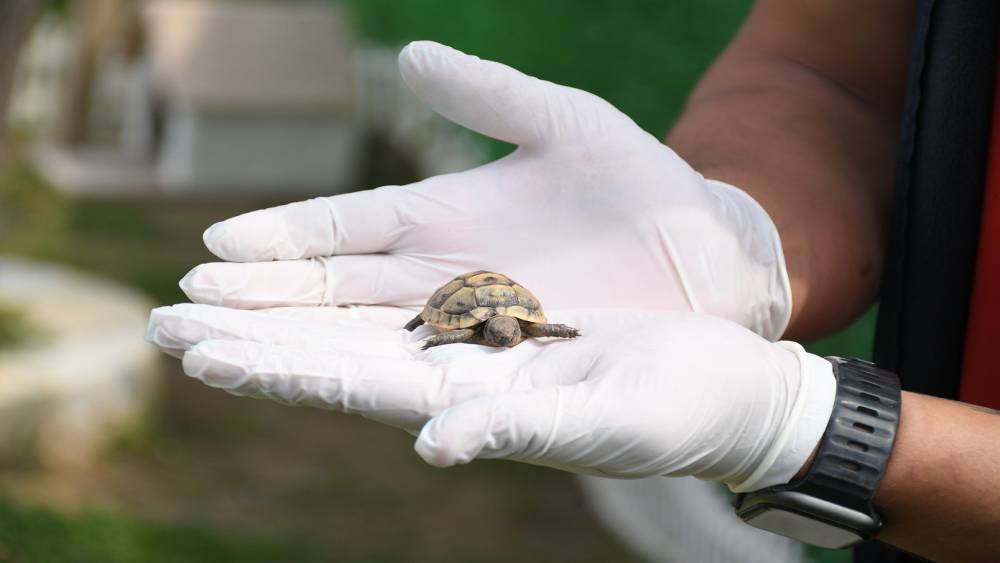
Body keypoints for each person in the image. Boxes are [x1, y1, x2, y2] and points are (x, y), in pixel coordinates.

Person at [146, 1, 1000, 561]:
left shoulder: (517, 321)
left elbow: (523, 322)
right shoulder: (482, 312)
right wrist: (742, 235)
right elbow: (829, 76)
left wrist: (817, 431)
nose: (506, 333)